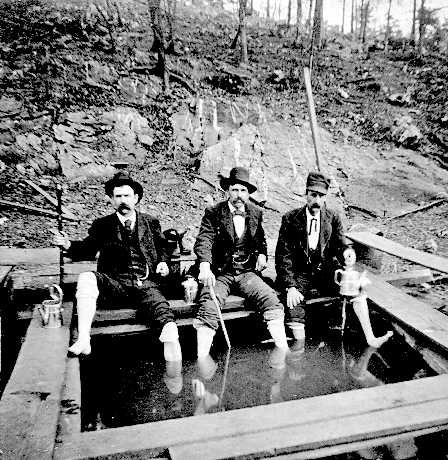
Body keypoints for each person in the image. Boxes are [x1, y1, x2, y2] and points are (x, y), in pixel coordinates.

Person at [52, 172, 182, 361]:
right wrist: (67, 245)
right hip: (114, 284)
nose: (123, 201)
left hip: (145, 283)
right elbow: (87, 249)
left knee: (169, 327)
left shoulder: (150, 222)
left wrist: (163, 262)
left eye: (127, 196)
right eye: (118, 196)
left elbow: (163, 247)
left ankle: (174, 378)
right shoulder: (103, 225)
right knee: (86, 278)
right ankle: (83, 339)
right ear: (111, 200)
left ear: (136, 198)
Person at [275, 171, 392, 348]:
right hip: (300, 274)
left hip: (325, 271)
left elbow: (340, 245)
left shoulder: (332, 217)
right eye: (313, 194)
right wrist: (290, 286)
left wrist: (347, 253)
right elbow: (283, 256)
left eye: (321, 196)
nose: (317, 200)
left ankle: (370, 338)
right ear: (306, 193)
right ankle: (299, 355)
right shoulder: (291, 218)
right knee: (294, 308)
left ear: (325, 197)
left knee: (354, 286)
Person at [193, 166, 289, 359]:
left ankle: (283, 353)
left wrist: (262, 254)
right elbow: (205, 239)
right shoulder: (214, 212)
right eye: (235, 190)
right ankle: (202, 360)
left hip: (246, 272)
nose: (238, 195)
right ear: (228, 190)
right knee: (210, 306)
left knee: (271, 300)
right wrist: (204, 264)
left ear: (248, 193)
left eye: (243, 190)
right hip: (220, 273)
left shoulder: (255, 212)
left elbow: (260, 239)